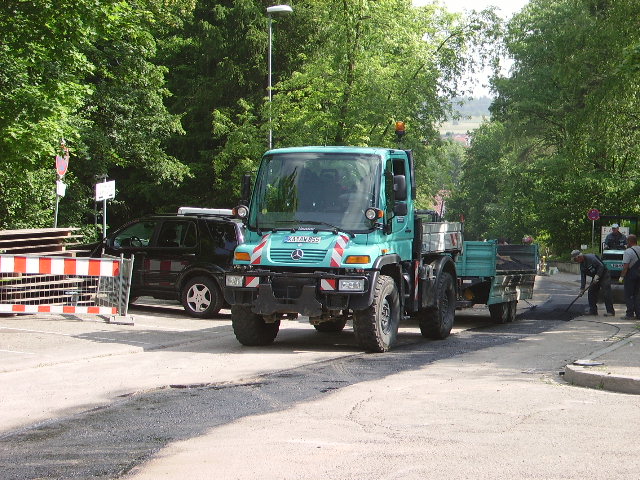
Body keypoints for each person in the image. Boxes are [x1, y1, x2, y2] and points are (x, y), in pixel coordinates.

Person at [571, 249, 615, 316]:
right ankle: (593, 311)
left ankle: (610, 311)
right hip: (595, 277)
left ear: (579, 257)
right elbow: (583, 277)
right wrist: (582, 289)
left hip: (604, 274)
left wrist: (597, 275)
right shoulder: (582, 265)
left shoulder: (591, 258)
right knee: (591, 291)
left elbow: (601, 266)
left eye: (575, 259)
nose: (576, 261)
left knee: (606, 292)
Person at [618, 234, 640, 319]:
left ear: (630, 242)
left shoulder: (628, 251)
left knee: (629, 295)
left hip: (631, 276)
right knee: (637, 295)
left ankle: (630, 314)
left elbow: (625, 266)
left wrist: (621, 277)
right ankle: (638, 314)